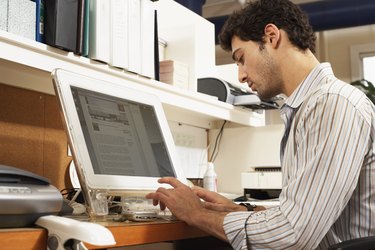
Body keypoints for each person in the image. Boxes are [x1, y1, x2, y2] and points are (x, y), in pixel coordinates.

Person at [146, 0, 375, 249]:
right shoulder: (308, 108)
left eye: (241, 58)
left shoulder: (332, 104)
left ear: (271, 36)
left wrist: (197, 214)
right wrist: (241, 209)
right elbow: (303, 215)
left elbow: (293, 234)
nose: (241, 75)